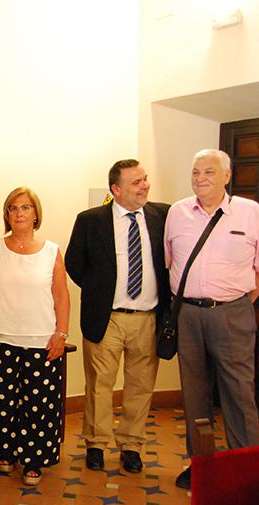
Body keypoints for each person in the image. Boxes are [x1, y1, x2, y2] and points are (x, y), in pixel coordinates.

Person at [165, 149, 259, 490]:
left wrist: (241, 302)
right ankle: (200, 466)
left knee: (238, 394)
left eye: (209, 172)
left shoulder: (249, 212)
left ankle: (245, 469)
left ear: (227, 176)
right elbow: (170, 262)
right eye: (196, 171)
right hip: (188, 314)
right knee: (195, 395)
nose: (200, 178)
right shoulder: (177, 212)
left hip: (232, 313)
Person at [65, 159, 170, 474]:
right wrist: (100, 292)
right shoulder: (91, 220)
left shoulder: (162, 216)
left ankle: (131, 444)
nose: (145, 185)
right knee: (100, 385)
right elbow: (74, 263)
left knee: (140, 385)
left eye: (145, 179)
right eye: (136, 181)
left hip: (148, 317)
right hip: (106, 318)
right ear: (116, 189)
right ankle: (96, 443)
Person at [0, 187, 70, 486]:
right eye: (13, 207)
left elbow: (61, 295)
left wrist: (61, 332)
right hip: (2, 336)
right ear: (6, 214)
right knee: (5, 399)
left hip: (41, 337)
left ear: (36, 213)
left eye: (25, 207)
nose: (19, 212)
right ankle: (7, 453)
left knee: (39, 402)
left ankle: (34, 460)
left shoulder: (51, 250)